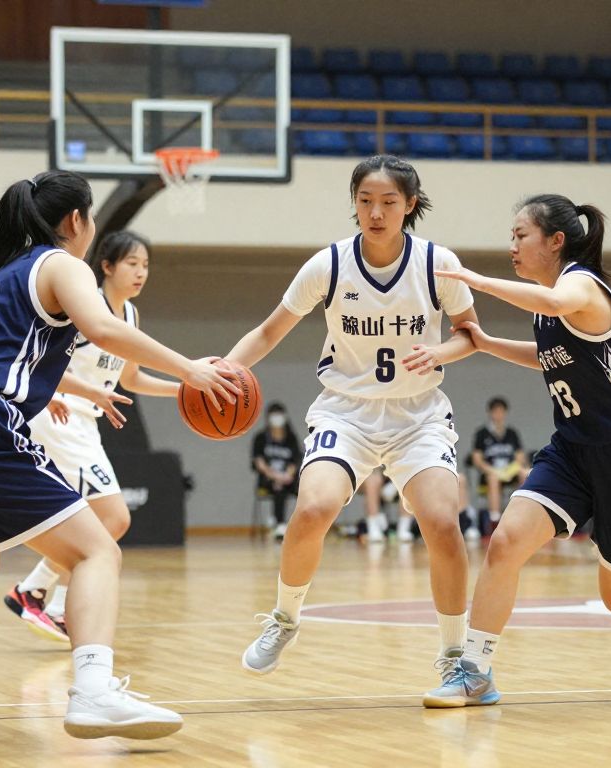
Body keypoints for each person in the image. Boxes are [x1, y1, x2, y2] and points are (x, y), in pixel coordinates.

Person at [0, 171, 239, 739]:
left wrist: (88, 391)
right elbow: (103, 329)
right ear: (77, 222)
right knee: (97, 551)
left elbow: (4, 357)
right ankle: (93, 692)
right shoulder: (60, 263)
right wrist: (190, 368)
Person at [423, 194, 611, 708]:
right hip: (574, 450)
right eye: (511, 237)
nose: (512, 245)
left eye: (521, 236)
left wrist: (477, 283)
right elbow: (551, 358)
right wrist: (486, 341)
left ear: (555, 240)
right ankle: (474, 670)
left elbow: (559, 305)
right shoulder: (547, 301)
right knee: (506, 541)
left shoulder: (579, 285)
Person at [226, 154, 479, 685]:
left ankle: (456, 655)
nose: (376, 212)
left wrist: (441, 354)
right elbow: (270, 331)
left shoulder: (438, 263)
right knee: (314, 508)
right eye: (365, 201)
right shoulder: (329, 265)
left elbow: (468, 334)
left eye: (389, 202)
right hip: (347, 412)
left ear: (410, 205)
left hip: (418, 416)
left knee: (441, 523)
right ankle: (284, 618)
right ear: (354, 204)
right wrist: (225, 370)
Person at [4, 230, 181, 641]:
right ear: (107, 266)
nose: (141, 273)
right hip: (58, 418)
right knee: (112, 518)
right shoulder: (85, 307)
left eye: (146, 265)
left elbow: (131, 378)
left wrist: (184, 390)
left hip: (85, 425)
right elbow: (40, 361)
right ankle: (44, 598)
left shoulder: (131, 316)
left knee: (93, 520)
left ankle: (33, 592)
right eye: (132, 264)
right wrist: (53, 393)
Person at [470, 396, 528, 531]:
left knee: (526, 473)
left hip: (510, 471)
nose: (499, 415)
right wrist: (492, 470)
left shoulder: (512, 433)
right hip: (491, 473)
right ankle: (495, 520)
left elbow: (520, 456)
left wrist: (511, 469)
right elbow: (477, 459)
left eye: (501, 411)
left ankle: (524, 514)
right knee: (493, 478)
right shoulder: (482, 433)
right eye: (496, 411)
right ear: (490, 413)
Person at [251, 402, 303, 541]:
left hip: (288, 478)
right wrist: (274, 475)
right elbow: (258, 462)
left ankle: (300, 527)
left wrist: (287, 475)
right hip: (267, 479)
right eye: (274, 415)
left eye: (279, 414)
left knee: (302, 488)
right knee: (278, 487)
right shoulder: (261, 438)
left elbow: (296, 460)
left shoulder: (291, 438)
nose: (277, 418)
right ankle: (280, 524)